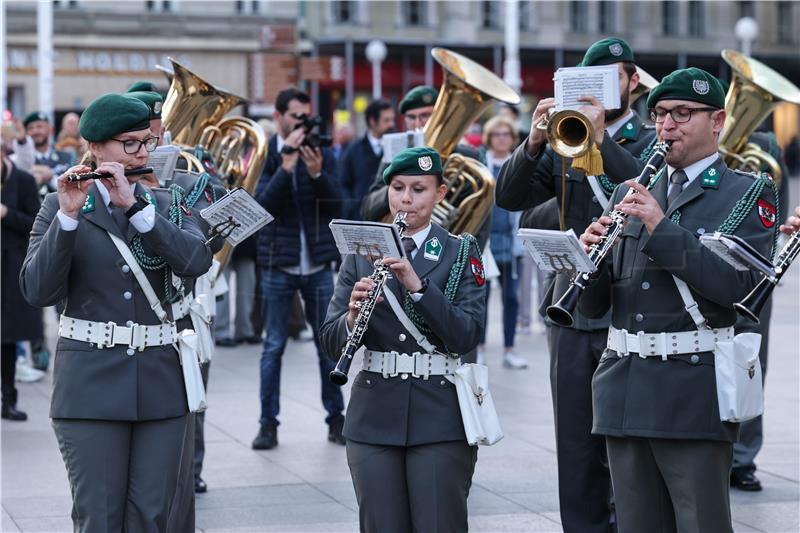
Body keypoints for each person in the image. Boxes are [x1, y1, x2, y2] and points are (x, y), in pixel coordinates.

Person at [578, 67, 778, 533]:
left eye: (683, 113)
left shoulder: (748, 192)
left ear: (717, 120)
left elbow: (739, 289)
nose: (667, 125)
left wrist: (660, 227)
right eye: (660, 114)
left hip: (693, 395)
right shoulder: (631, 193)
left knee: (700, 524)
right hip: (625, 390)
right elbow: (595, 307)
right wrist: (583, 266)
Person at [20, 93, 212, 532]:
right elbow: (37, 289)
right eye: (130, 143)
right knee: (99, 518)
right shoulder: (57, 205)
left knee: (152, 516)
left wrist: (137, 209)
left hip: (161, 384)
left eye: (146, 140)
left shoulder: (166, 203)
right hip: (89, 386)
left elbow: (195, 261)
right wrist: (68, 220)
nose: (143, 151)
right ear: (97, 146)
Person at [495, 37, 655, 533]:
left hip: (631, 307)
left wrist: (604, 141)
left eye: (614, 78)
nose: (604, 89)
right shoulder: (567, 137)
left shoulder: (651, 140)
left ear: (632, 82)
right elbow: (509, 197)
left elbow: (648, 191)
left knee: (628, 443)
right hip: (571, 307)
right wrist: (535, 141)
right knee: (575, 441)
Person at [320, 147, 486, 532]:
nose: (406, 199)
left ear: (441, 193)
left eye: (419, 189)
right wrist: (351, 316)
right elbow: (330, 342)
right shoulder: (362, 252)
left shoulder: (460, 250)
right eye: (398, 188)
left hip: (439, 414)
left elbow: (466, 334)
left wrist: (417, 287)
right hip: (373, 413)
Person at [251, 87, 344, 450]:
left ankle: (336, 418)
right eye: (295, 116)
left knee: (328, 345)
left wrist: (318, 174)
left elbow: (337, 204)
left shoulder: (320, 151)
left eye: (306, 116)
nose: (302, 124)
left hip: (318, 264)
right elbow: (260, 209)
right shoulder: (265, 156)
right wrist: (286, 167)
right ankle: (267, 423)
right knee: (273, 345)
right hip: (278, 263)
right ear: (278, 117)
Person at [479, 116, 527, 369]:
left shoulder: (517, 162)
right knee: (481, 298)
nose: (501, 138)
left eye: (505, 134)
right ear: (489, 137)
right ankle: (480, 348)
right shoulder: (481, 162)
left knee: (511, 297)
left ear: (512, 137)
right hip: (486, 242)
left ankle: (509, 349)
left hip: (510, 241)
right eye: (496, 134)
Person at [1, 146, 42, 421]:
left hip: (9, 269)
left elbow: (36, 224)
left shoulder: (24, 181)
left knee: (7, 337)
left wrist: (6, 213)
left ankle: (8, 399)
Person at [339, 98, 395, 220]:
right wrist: (351, 207)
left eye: (392, 120)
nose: (392, 124)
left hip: (389, 218)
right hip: (360, 218)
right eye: (386, 120)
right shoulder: (353, 149)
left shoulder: (399, 147)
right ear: (372, 121)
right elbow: (343, 183)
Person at [24, 111, 75, 195]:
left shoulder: (67, 157)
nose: (35, 131)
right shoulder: (22, 160)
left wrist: (51, 177)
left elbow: (73, 189)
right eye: (30, 128)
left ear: (51, 129)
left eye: (39, 126)